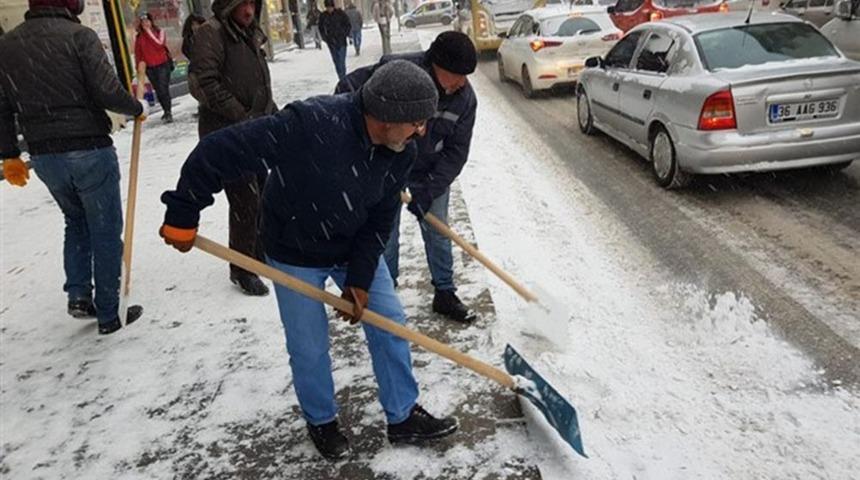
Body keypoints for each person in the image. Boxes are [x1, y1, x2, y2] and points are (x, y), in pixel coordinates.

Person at [159, 60, 458, 460]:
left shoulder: (402, 150)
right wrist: (183, 210)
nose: (422, 131)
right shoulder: (312, 123)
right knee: (309, 346)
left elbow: (379, 220)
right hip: (293, 249)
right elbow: (220, 151)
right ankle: (322, 421)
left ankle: (402, 416)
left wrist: (360, 277)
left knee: (391, 324)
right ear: (388, 116)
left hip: (350, 244)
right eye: (417, 121)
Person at [0, 0, 147, 335]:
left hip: (44, 156)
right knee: (105, 228)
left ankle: (80, 295)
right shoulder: (79, 36)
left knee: (76, 220)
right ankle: (110, 314)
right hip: (87, 149)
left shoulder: (7, 44)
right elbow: (106, 90)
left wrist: (9, 153)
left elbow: (2, 106)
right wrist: (136, 106)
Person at [336, 31, 478, 323]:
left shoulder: (464, 99)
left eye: (465, 75)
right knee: (384, 235)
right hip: (387, 168)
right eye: (456, 74)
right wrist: (362, 146)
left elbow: (456, 152)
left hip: (429, 172)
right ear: (436, 65)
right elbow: (348, 89)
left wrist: (430, 189)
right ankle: (385, 296)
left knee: (439, 232)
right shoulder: (398, 73)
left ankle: (445, 293)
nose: (462, 82)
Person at [189, 0, 276, 296]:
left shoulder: (248, 31)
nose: (249, 10)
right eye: (243, 4)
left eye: (253, 3)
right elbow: (205, 83)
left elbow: (259, 82)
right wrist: (242, 116)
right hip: (226, 134)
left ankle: (259, 253)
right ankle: (242, 269)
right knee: (245, 201)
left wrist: (272, 115)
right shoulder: (211, 33)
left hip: (254, 130)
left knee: (264, 190)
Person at [134, 12, 174, 123]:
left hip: (162, 65)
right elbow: (138, 53)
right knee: (158, 90)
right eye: (143, 22)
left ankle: (168, 112)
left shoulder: (160, 32)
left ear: (151, 22)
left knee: (163, 88)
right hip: (150, 68)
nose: (145, 23)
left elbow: (159, 44)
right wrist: (138, 67)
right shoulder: (139, 37)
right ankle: (165, 110)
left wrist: (148, 31)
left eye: (147, 21)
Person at [318, 0, 351, 80]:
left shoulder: (340, 14)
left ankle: (343, 79)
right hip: (331, 42)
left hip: (341, 41)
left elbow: (348, 24)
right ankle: (341, 78)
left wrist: (344, 34)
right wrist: (325, 38)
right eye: (327, 7)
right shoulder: (323, 16)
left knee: (341, 62)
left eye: (330, 7)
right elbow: (321, 28)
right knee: (336, 62)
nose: (329, 9)